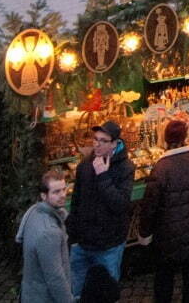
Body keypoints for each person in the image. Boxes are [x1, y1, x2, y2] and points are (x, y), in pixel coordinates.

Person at [140, 119, 189, 303]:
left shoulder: (160, 168)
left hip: (167, 236)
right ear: (185, 137)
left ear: (166, 140)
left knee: (164, 279)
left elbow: (150, 206)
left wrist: (144, 234)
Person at [66, 121, 135, 289]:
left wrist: (103, 176)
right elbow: (76, 201)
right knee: (77, 291)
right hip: (82, 244)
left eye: (103, 140)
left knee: (105, 293)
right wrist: (73, 236)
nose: (96, 144)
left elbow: (120, 205)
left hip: (108, 246)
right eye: (95, 139)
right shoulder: (85, 165)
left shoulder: (126, 168)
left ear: (114, 144)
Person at [17, 169, 72, 303]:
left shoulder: (33, 212)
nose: (63, 195)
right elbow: (55, 278)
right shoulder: (49, 233)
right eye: (56, 192)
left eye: (64, 190)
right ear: (43, 195)